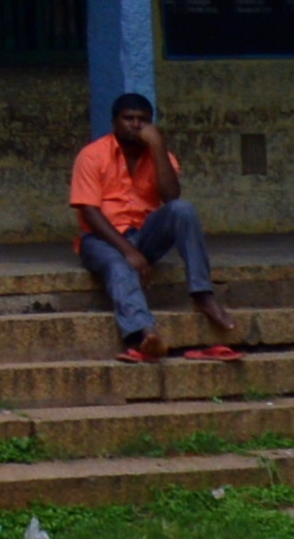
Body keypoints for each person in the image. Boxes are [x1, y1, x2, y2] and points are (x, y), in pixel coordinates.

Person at [68, 92, 238, 363]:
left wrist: (158, 147)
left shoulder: (161, 154)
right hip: (101, 240)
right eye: (128, 119)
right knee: (118, 265)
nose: (135, 125)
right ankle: (143, 335)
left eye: (143, 120)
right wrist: (128, 251)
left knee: (183, 210)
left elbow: (171, 197)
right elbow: (89, 212)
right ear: (114, 122)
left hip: (144, 234)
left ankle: (203, 295)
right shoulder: (92, 155)